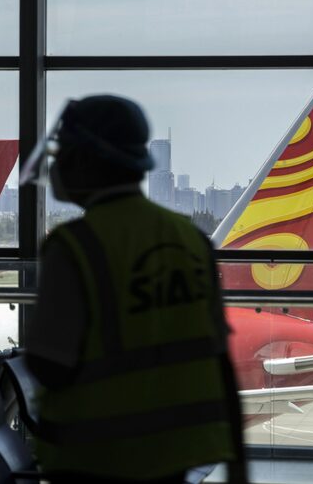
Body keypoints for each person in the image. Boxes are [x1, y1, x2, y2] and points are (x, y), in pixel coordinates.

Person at [21, 95, 248, 483]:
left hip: (93, 453)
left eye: (66, 153)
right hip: (176, 451)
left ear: (89, 160)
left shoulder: (74, 246)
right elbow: (216, 354)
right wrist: (238, 463)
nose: (58, 165)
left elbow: (48, 364)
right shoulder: (191, 240)